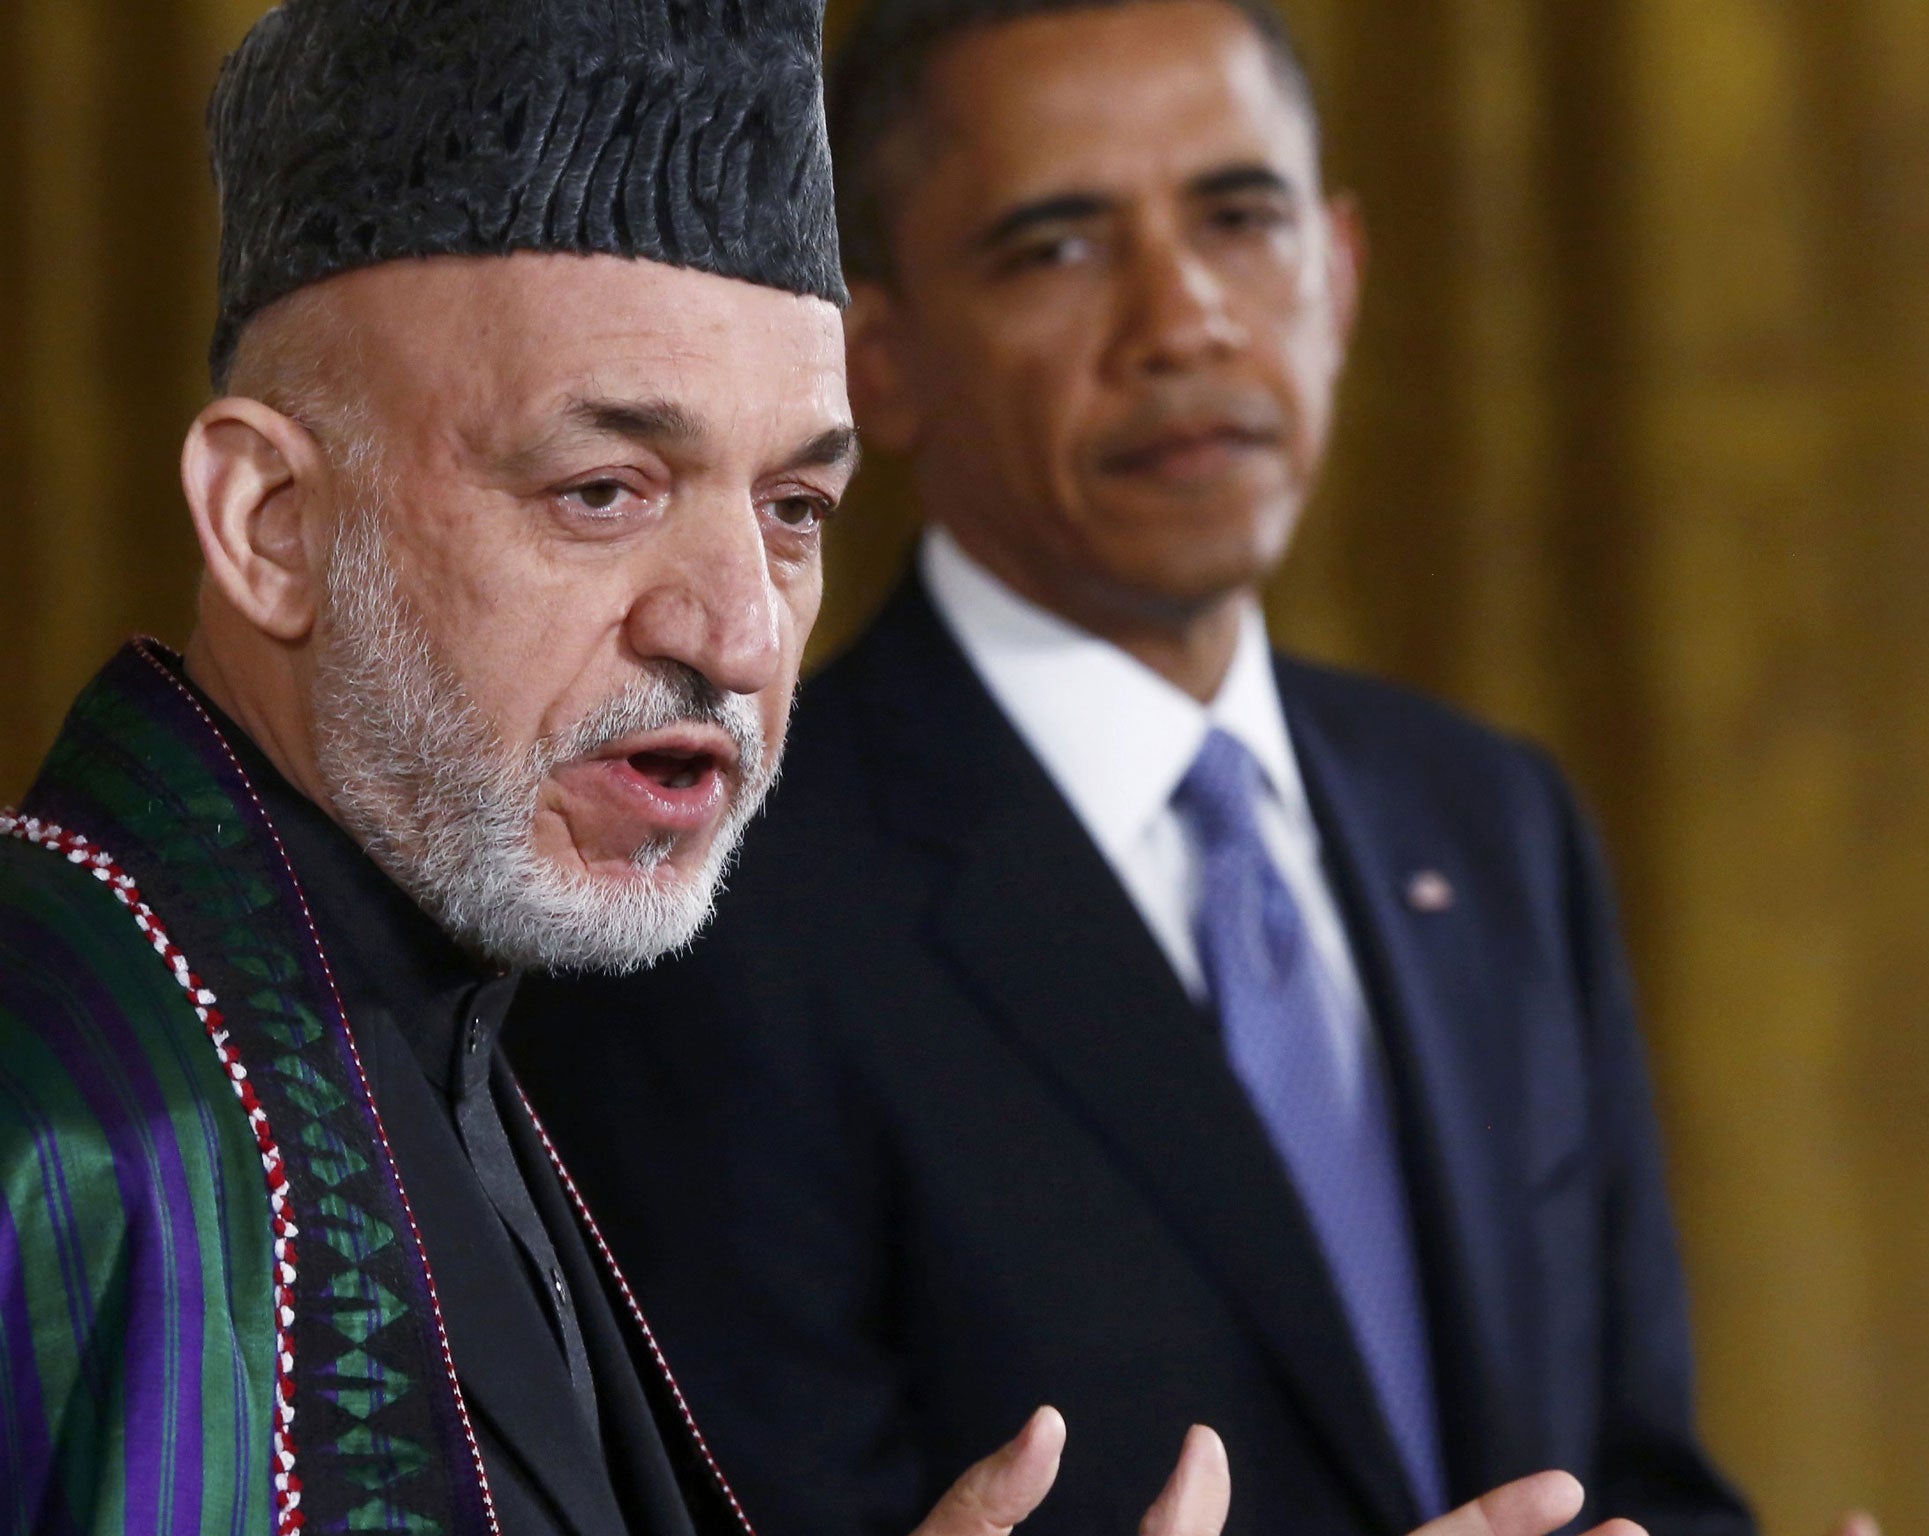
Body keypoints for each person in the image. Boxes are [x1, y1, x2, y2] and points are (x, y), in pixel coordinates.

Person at [0, 2, 1660, 1536]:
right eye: (604, 488)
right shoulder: (80, 1114)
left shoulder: (430, 1017)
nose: (735, 632)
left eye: (794, 509)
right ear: (270, 525)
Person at [511, 3, 1758, 1536]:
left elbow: (1637, 1472)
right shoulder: (714, 894)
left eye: (1243, 220)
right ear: (874, 361)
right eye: (1058, 247)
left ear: (1343, 273)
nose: (1185, 320)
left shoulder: (1490, 818)